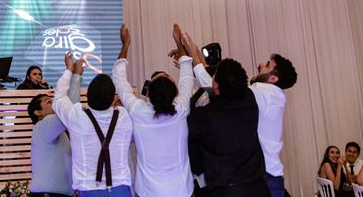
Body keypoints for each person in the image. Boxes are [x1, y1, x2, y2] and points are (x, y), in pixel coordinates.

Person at [187, 37, 297, 197]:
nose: (260, 64)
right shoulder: (275, 97)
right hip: (269, 177)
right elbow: (222, 85)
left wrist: (195, 61)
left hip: (264, 177)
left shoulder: (262, 93)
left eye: (267, 65)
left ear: (273, 78)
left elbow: (224, 89)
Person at [112, 24, 194, 197]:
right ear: (174, 93)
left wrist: (125, 45)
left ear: (147, 93)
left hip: (148, 192)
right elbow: (187, 76)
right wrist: (180, 45)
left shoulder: (138, 110)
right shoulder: (181, 108)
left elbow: (119, 80)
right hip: (182, 191)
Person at [52, 52, 133, 196]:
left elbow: (59, 97)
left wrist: (69, 70)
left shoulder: (76, 116)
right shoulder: (124, 115)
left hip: (89, 189)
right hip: (121, 187)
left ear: (88, 96)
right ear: (112, 98)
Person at [188, 58, 270, 196]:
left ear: (216, 86)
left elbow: (191, 151)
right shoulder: (249, 99)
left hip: (225, 190)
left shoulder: (204, 116)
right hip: (258, 188)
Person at [28, 59, 83, 197]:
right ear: (38, 113)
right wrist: (74, 74)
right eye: (48, 102)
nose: (54, 104)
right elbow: (69, 108)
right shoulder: (43, 125)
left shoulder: (54, 128)